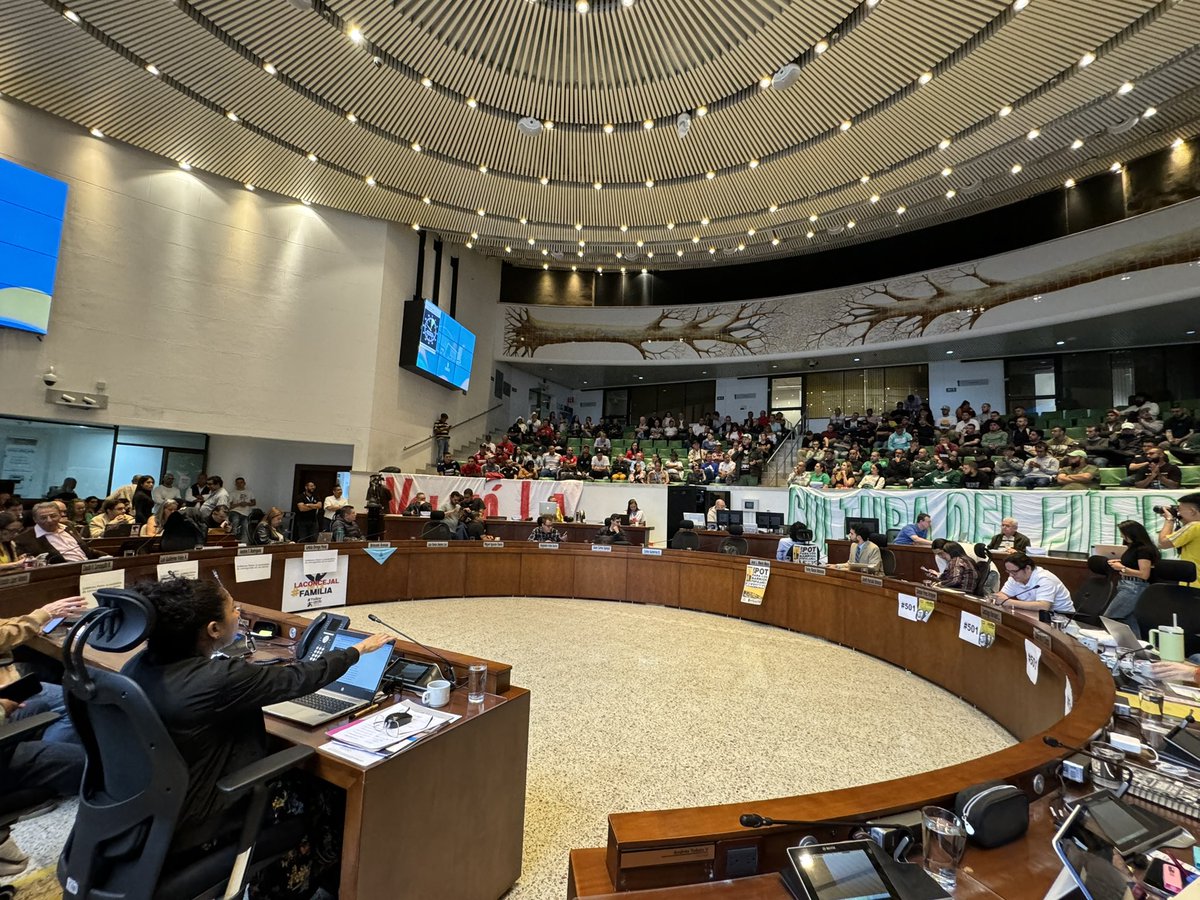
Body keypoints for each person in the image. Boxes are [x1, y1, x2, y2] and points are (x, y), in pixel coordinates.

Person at [122, 578, 394, 870]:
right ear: (213, 629)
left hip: (147, 810)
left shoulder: (136, 666)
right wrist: (357, 651)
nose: (239, 613)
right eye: (233, 608)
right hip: (204, 815)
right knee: (323, 788)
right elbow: (300, 678)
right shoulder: (220, 678)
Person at [0, 594, 91, 744]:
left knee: (50, 670)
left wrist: (33, 622)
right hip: (4, 691)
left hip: (6, 670)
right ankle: (51, 757)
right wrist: (42, 615)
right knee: (75, 700)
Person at [1101, 520, 1160, 637]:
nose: (1121, 535)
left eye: (1123, 532)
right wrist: (1120, 562)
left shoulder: (1144, 550)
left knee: (1110, 617)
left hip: (1134, 587)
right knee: (1129, 620)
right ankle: (1137, 648)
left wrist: (1122, 568)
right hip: (1126, 585)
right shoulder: (1132, 547)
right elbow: (1133, 563)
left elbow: (1144, 574)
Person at [15, 502, 101, 563]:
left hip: (88, 566)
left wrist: (106, 557)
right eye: (43, 518)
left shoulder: (68, 527)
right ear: (35, 519)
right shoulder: (24, 538)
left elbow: (85, 549)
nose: (49, 520)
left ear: (60, 515)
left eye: (53, 516)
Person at [989, 552, 1075, 614]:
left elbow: (1043, 606)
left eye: (1014, 572)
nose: (1011, 575)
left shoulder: (1044, 578)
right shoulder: (1014, 578)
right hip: (1035, 614)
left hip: (1062, 618)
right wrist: (997, 598)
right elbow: (1002, 595)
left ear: (1028, 568)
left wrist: (1008, 602)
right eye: (1008, 572)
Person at [1157, 494, 1200, 588]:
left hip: (1194, 584)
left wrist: (1169, 519)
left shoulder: (1194, 526)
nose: (1178, 514)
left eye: (1179, 510)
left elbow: (1163, 542)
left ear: (1192, 511)